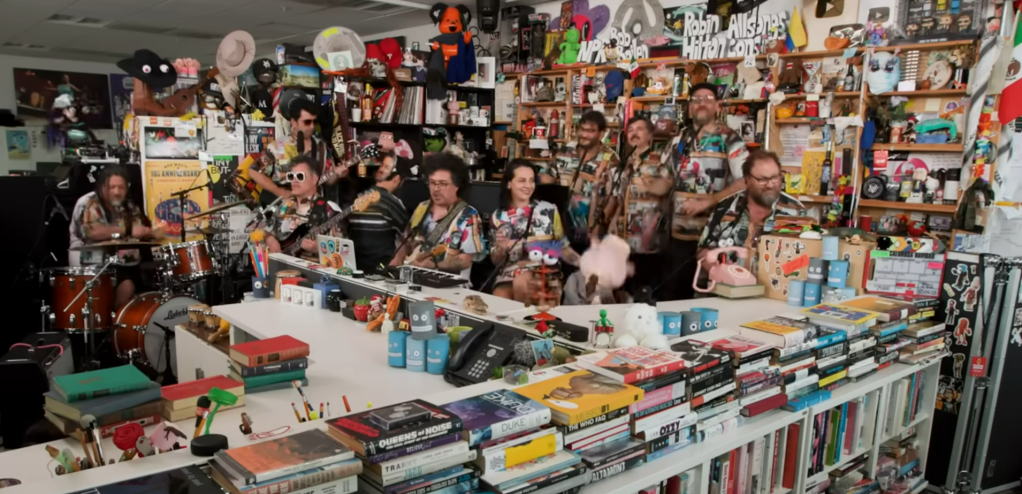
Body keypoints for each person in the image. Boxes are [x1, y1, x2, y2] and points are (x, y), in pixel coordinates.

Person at [665, 82, 750, 300]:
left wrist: (710, 200)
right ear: (689, 107)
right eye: (696, 99)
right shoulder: (678, 140)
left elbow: (746, 180)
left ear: (718, 106)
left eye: (708, 99)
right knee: (675, 297)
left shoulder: (730, 138)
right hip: (679, 234)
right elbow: (665, 178)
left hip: (715, 236)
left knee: (709, 295)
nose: (701, 103)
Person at [69, 166, 162, 309]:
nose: (117, 192)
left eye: (121, 187)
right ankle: (116, 320)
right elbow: (92, 232)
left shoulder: (129, 206)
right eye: (112, 187)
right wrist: (127, 230)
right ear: (102, 187)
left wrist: (150, 232)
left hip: (125, 261)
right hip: (92, 262)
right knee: (126, 285)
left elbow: (138, 230)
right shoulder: (88, 202)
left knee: (155, 277)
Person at [489, 159, 579, 303]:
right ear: (509, 184)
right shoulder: (498, 217)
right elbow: (495, 261)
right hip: (508, 275)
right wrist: (501, 248)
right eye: (522, 180)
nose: (528, 186)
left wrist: (584, 263)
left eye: (531, 181)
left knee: (522, 282)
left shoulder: (549, 210)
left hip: (543, 272)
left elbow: (562, 247)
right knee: (499, 296)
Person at [698, 150, 806, 268]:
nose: (770, 185)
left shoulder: (796, 212)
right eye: (762, 180)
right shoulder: (725, 207)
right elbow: (702, 250)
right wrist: (718, 271)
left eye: (775, 177)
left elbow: (806, 258)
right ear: (747, 180)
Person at [390, 154, 484, 279]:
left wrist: (433, 264)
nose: (436, 189)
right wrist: (397, 260)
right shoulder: (422, 207)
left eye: (443, 184)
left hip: (448, 283)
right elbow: (405, 242)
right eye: (432, 183)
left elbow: (465, 261)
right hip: (412, 277)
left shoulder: (469, 215)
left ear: (457, 185)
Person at [540, 111, 621, 252]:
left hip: (593, 232)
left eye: (591, 131)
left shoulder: (610, 158)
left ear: (601, 134)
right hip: (561, 229)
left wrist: (600, 223)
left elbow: (614, 197)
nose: (584, 134)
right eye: (582, 129)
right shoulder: (565, 151)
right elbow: (547, 179)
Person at [247, 98, 346, 205]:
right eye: (307, 122)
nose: (312, 126)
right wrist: (279, 191)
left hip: (313, 207)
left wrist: (337, 174)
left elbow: (328, 179)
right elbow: (253, 171)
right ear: (294, 122)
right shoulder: (277, 146)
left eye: (314, 122)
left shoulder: (322, 147)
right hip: (284, 208)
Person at [615, 116, 673, 296]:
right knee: (627, 287)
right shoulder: (625, 162)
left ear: (650, 135)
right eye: (630, 130)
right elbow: (620, 195)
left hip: (649, 236)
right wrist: (615, 219)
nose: (634, 133)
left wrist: (649, 187)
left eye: (639, 129)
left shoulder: (660, 160)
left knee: (648, 286)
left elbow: (667, 186)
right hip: (626, 236)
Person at [262, 156, 340, 258]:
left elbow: (343, 251)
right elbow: (266, 231)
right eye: (291, 176)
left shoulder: (329, 209)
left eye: (300, 176)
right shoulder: (285, 206)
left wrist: (319, 249)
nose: (294, 180)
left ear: (314, 179)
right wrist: (269, 239)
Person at [347, 151, 412, 273]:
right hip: (381, 270)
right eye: (383, 165)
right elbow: (407, 237)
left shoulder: (358, 197)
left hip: (354, 267)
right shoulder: (393, 203)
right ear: (397, 179)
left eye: (385, 166)